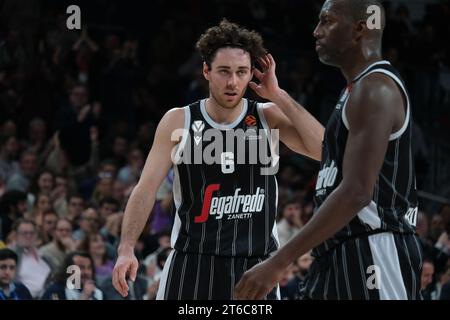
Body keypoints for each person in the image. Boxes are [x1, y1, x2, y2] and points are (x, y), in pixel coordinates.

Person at [112, 19, 324, 300]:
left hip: (255, 266)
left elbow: (326, 150)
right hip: (193, 262)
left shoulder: (268, 115)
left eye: (241, 72)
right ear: (206, 71)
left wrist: (279, 95)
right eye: (224, 71)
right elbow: (146, 187)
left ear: (251, 75)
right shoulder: (179, 120)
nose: (233, 82)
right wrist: (126, 247)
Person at [235, 0, 422, 300]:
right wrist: (277, 95)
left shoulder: (376, 88)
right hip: (338, 254)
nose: (316, 31)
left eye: (327, 21)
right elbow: (326, 151)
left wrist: (279, 261)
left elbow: (357, 191)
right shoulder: (354, 91)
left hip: (374, 252)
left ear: (360, 28)